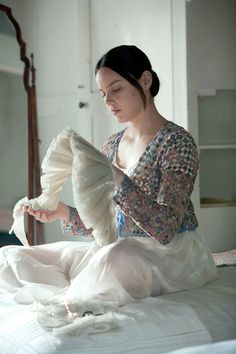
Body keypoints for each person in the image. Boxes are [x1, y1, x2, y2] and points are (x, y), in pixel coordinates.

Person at [0, 45, 217, 306]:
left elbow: (165, 228)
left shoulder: (176, 143)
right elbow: (110, 224)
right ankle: (81, 289)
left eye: (116, 89)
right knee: (14, 258)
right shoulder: (111, 145)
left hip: (168, 255)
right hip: (121, 248)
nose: (107, 101)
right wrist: (62, 212)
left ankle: (80, 294)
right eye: (103, 93)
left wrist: (116, 177)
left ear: (145, 80)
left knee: (113, 258)